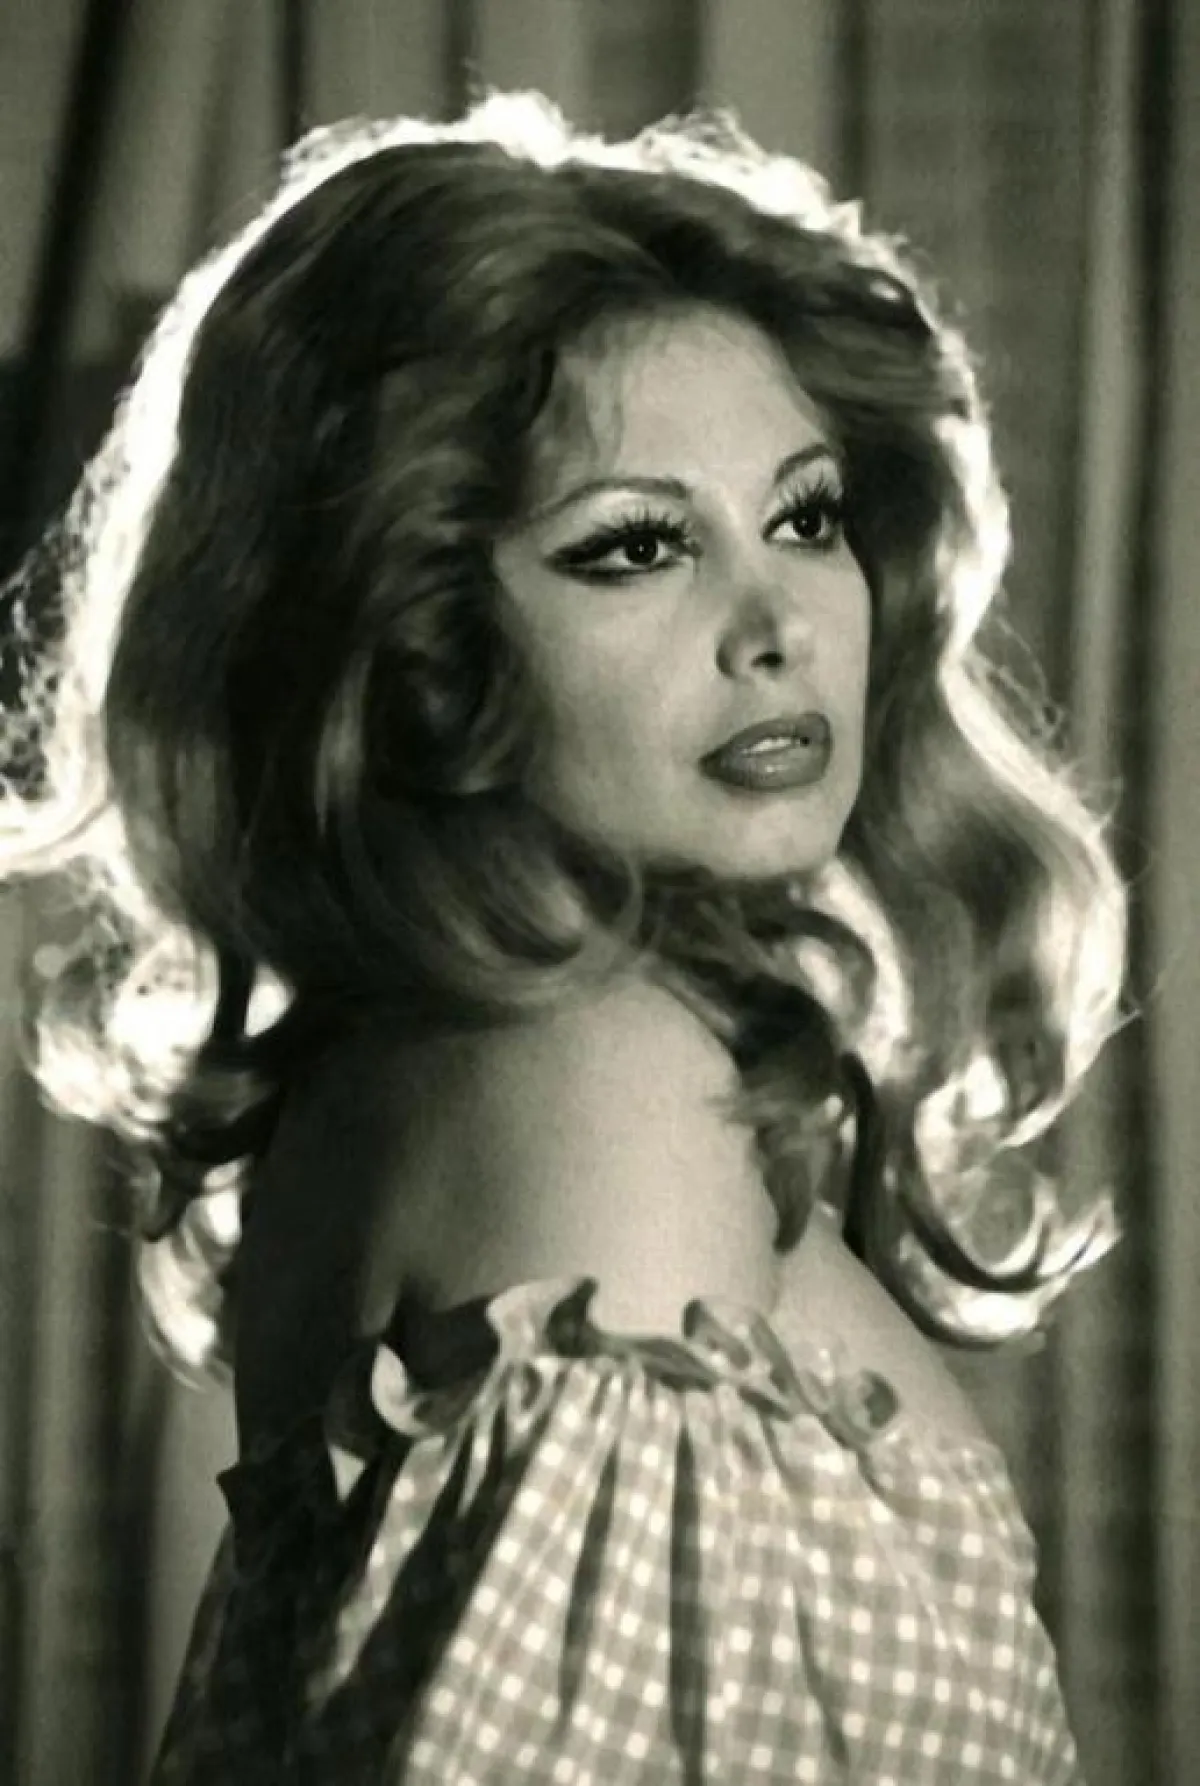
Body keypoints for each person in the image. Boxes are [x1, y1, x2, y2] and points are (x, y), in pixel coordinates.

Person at [0, 88, 1128, 1783]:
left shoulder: (444, 1060)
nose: (778, 622)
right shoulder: (594, 1077)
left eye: (807, 515)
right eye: (637, 545)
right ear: (416, 642)